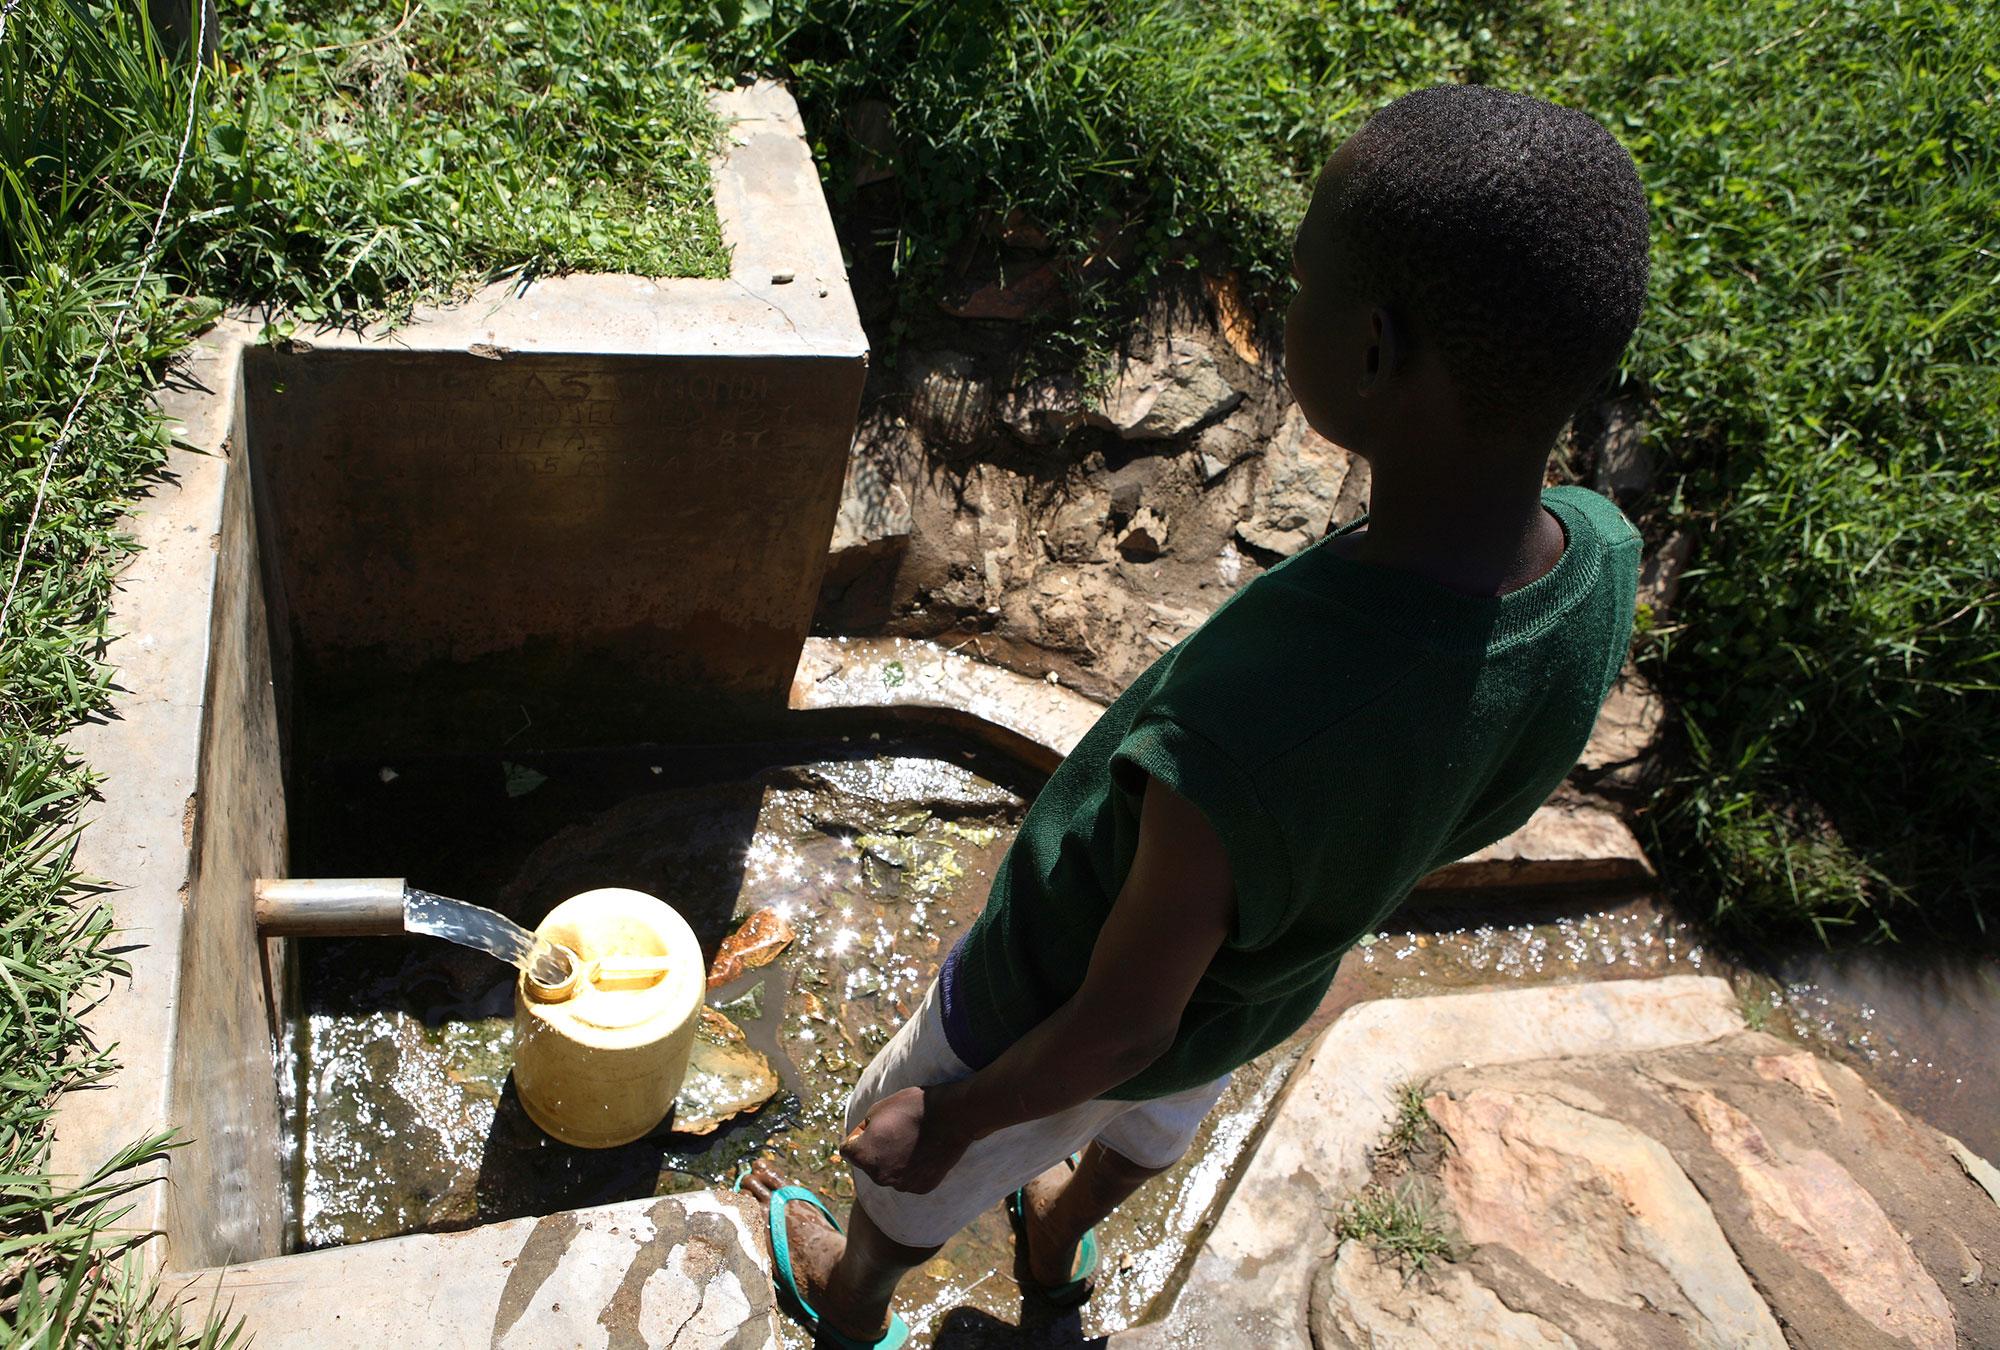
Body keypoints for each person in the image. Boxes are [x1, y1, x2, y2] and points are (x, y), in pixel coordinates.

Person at [740, 82, 1652, 1349]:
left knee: (909, 1170)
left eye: (1297, 289)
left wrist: (948, 1122)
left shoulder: (1249, 731)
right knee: (1152, 1122)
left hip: (1042, 1011)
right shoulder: (1599, 561)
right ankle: (1058, 1236)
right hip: (1261, 987)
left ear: (1375, 350)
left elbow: (1118, 1023)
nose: (1282, 315)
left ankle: (855, 1304)